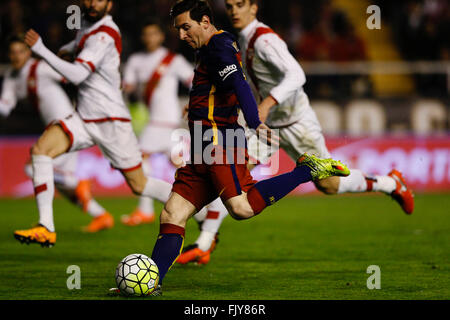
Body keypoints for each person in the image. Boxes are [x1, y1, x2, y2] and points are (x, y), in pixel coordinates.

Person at [177, 0, 415, 265]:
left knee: (329, 185)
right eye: (229, 5)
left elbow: (296, 75)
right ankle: (205, 243)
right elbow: (237, 80)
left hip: (295, 123)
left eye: (240, 4)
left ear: (254, 8)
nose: (234, 10)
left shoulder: (265, 40)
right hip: (267, 126)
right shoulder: (237, 39)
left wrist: (266, 104)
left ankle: (390, 184)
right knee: (231, 173)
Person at [146, 0, 350, 295]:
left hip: (220, 142)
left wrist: (255, 122)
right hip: (203, 144)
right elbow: (219, 89)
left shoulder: (219, 44)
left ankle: (306, 169)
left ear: (204, 21)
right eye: (177, 29)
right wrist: (194, 106)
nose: (181, 35)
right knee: (172, 213)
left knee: (240, 208)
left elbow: (240, 84)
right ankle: (151, 283)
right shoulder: (206, 49)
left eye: (185, 27)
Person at [13, 0, 172, 247]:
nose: (92, 3)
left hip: (112, 121)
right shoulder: (86, 24)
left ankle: (193, 206)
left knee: (139, 185)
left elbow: (77, 74)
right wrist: (68, 48)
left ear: (110, 4)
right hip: (84, 118)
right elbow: (78, 44)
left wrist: (42, 50)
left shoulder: (106, 33)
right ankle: (46, 227)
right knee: (40, 151)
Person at [1, 35, 113, 238]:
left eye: (21, 51)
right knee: (59, 185)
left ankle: (71, 190)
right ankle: (101, 215)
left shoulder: (42, 68)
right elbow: (5, 107)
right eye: (13, 53)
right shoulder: (11, 76)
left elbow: (72, 75)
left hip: (67, 125)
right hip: (54, 129)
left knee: (33, 167)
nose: (17, 56)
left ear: (28, 53)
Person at [120, 20, 195, 226]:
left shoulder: (173, 60)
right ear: (142, 37)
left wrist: (195, 104)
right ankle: (201, 207)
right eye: (146, 34)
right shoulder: (135, 60)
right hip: (155, 120)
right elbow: (127, 87)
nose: (150, 38)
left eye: (154, 34)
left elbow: (194, 81)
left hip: (166, 121)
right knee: (183, 167)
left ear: (161, 37)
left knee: (139, 158)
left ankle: (145, 210)